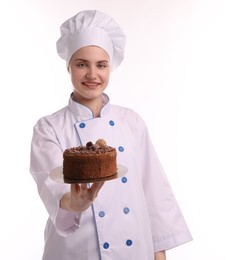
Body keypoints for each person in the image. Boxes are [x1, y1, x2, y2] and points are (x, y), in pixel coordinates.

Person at [30, 10, 192, 260]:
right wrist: (74, 204)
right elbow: (51, 186)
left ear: (111, 67)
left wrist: (159, 253)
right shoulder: (49, 127)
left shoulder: (132, 122)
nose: (92, 74)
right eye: (82, 64)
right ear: (68, 67)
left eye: (101, 65)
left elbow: (154, 192)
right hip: (76, 252)